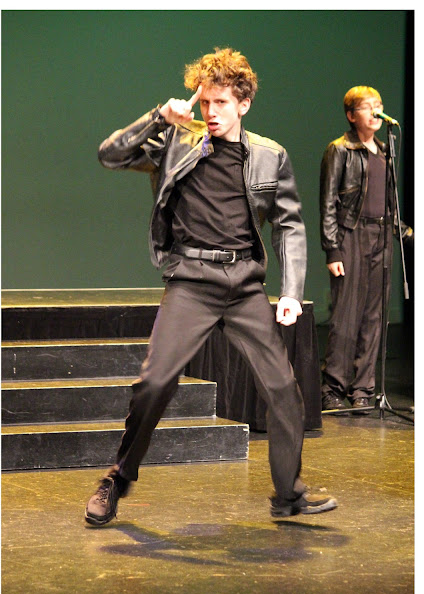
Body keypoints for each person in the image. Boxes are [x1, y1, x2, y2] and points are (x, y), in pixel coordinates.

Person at [85, 47, 337, 526]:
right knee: (155, 383)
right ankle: (118, 478)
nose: (211, 112)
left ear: (243, 104)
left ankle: (288, 494)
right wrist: (159, 117)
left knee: (283, 390)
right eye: (205, 102)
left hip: (244, 287)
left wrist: (290, 291)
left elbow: (289, 225)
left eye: (221, 102)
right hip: (192, 282)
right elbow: (109, 155)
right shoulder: (176, 141)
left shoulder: (270, 156)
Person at [320, 86, 413, 413]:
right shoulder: (340, 149)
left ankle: (363, 389)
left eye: (379, 105)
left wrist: (406, 233)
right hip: (351, 235)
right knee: (346, 315)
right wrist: (332, 250)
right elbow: (329, 202)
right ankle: (333, 388)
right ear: (351, 115)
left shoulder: (386, 151)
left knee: (375, 318)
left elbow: (390, 204)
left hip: (381, 237)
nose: (376, 112)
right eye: (367, 107)